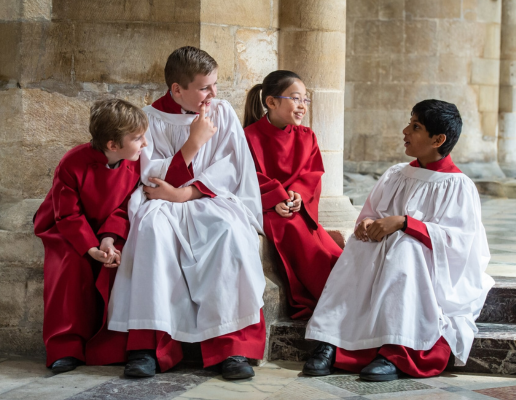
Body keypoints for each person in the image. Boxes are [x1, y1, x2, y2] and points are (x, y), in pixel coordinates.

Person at [303, 99, 494, 381]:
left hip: (427, 267)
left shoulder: (459, 186)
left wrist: (405, 224)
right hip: (384, 257)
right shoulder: (396, 174)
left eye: (415, 127)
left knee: (406, 248)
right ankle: (332, 340)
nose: (405, 131)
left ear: (438, 139)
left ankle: (396, 349)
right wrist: (367, 223)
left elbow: (461, 243)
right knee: (361, 244)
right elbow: (370, 215)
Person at [107, 46, 266, 380]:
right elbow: (152, 176)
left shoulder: (221, 113)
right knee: (151, 232)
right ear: (177, 89)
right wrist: (193, 143)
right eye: (205, 87)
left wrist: (185, 193)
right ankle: (148, 346)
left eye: (215, 84)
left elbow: (232, 169)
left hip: (208, 198)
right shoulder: (150, 118)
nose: (214, 93)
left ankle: (230, 347)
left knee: (229, 232)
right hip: (162, 202)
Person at [34, 98, 148, 374]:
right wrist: (89, 248)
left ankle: (113, 346)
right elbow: (67, 215)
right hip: (67, 226)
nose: (145, 144)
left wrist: (107, 240)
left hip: (109, 228)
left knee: (122, 261)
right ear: (112, 145)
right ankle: (65, 347)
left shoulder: (135, 163)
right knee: (69, 266)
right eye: (138, 138)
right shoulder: (72, 162)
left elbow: (124, 206)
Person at [242, 70, 343, 320]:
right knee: (290, 228)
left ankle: (340, 293)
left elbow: (312, 173)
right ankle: (328, 298)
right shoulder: (249, 136)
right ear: (271, 102)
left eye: (305, 100)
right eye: (296, 99)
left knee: (327, 250)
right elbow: (246, 176)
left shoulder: (307, 137)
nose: (302, 106)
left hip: (297, 207)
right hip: (267, 209)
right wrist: (275, 198)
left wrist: (297, 194)